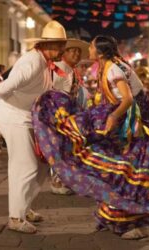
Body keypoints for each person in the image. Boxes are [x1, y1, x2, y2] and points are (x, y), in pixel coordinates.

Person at [32, 35, 149, 240]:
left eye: (91, 47)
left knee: (127, 173)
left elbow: (127, 99)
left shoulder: (113, 69)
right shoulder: (108, 66)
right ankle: (120, 219)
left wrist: (111, 117)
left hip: (134, 128)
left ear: (100, 52)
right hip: (128, 126)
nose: (88, 51)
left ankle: (124, 221)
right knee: (121, 172)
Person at [0, 21, 67, 233]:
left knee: (42, 166)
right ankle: (15, 218)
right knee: (24, 167)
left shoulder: (46, 63)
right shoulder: (32, 63)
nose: (62, 49)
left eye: (62, 44)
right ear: (45, 46)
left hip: (28, 117)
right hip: (14, 117)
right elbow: (1, 89)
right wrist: (6, 106)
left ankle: (24, 208)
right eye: (58, 45)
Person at [50, 38, 89, 195]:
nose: (76, 53)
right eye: (72, 50)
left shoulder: (71, 70)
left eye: (78, 51)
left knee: (67, 150)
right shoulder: (58, 68)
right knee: (59, 150)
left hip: (68, 117)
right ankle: (57, 182)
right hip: (58, 116)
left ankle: (64, 181)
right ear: (63, 53)